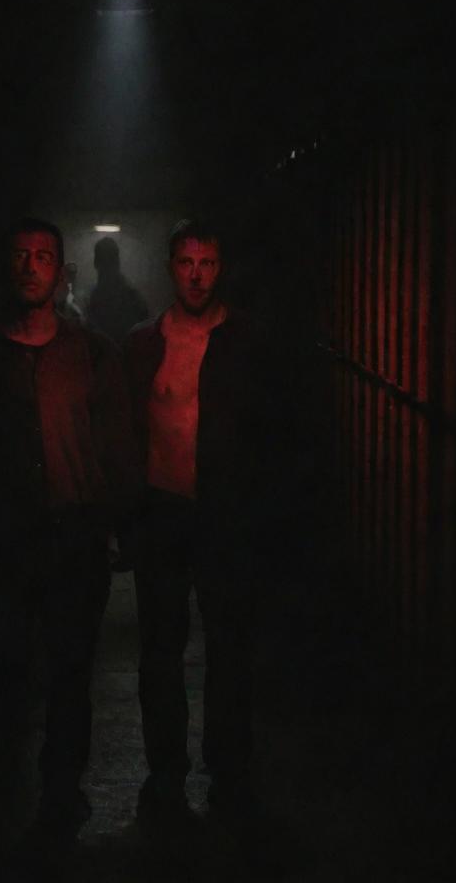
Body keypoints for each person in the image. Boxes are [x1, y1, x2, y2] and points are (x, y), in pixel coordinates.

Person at [0, 216, 136, 857]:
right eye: (20, 254)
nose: (30, 266)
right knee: (3, 672)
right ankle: (4, 786)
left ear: (61, 271)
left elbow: (116, 450)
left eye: (42, 256)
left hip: (73, 535)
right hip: (6, 538)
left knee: (67, 673)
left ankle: (60, 791)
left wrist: (115, 528)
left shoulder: (91, 354)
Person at [124, 218, 270, 845]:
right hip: (162, 514)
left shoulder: (249, 345)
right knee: (160, 651)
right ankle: (166, 775)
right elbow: (124, 432)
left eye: (207, 263)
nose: (196, 275)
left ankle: (228, 773)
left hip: (227, 516)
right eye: (186, 263)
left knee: (230, 651)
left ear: (222, 268)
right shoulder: (143, 344)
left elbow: (277, 435)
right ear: (169, 268)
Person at [87, 236, 149, 345]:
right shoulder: (133, 296)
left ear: (95, 262)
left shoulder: (132, 297)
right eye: (104, 259)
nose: (106, 266)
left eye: (108, 260)